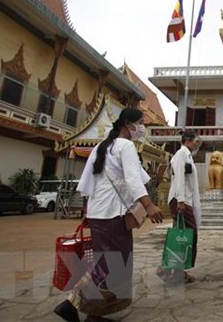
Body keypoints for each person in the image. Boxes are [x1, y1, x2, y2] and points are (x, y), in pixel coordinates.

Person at [54, 108, 164, 322]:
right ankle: (75, 305)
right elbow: (134, 180)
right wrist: (149, 206)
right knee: (112, 265)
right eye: (141, 123)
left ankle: (89, 311)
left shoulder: (102, 146)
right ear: (127, 124)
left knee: (104, 263)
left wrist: (89, 210)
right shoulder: (126, 145)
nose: (143, 128)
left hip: (99, 212)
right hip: (113, 214)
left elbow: (90, 182)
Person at [167, 129, 202, 283]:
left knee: (183, 235)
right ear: (188, 140)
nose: (196, 144)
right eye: (195, 141)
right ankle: (174, 270)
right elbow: (180, 178)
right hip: (180, 200)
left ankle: (176, 270)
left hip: (186, 199)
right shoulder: (181, 155)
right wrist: (181, 201)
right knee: (186, 235)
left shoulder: (187, 156)